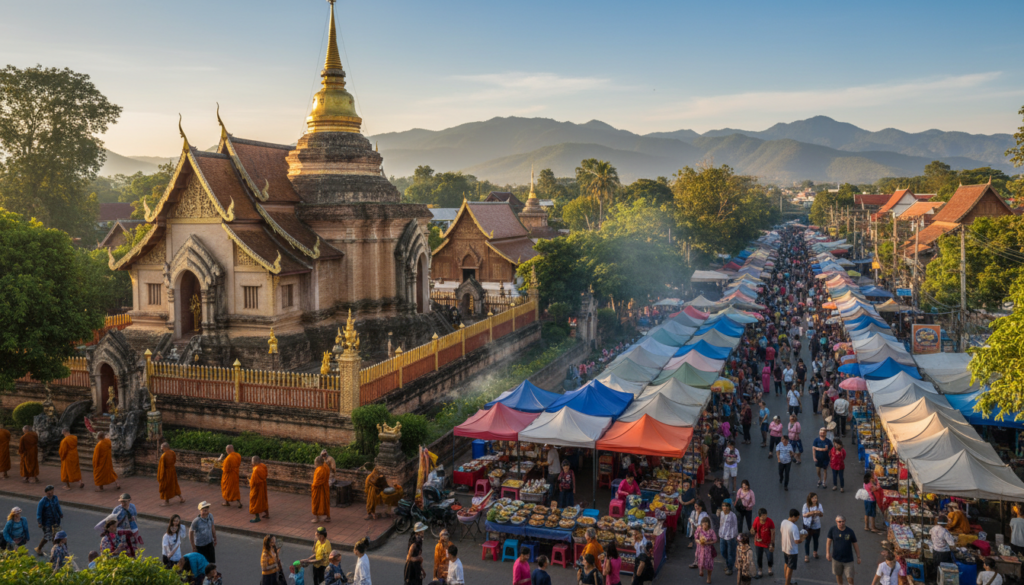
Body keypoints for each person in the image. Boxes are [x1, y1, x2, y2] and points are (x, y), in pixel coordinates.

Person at [826, 515, 861, 585]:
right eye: (839, 522)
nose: (841, 523)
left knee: (850, 578)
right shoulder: (832, 530)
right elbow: (828, 542)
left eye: (843, 521)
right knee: (838, 575)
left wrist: (858, 556)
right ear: (836, 521)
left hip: (848, 560)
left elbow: (855, 544)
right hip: (836, 558)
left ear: (845, 521)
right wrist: (827, 553)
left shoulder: (850, 531)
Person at [34, 484, 63, 556]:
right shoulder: (42, 501)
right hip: (46, 522)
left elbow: (57, 506)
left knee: (56, 536)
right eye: (49, 492)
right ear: (46, 493)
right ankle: (39, 548)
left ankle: (55, 550)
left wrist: (60, 513)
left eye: (51, 492)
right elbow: (39, 512)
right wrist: (39, 522)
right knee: (47, 536)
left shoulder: (55, 498)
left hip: (55, 520)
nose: (50, 494)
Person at [112, 493, 142, 557]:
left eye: (125, 501)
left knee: (132, 544)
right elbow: (112, 518)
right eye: (122, 502)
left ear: (129, 501)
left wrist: (128, 509)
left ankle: (132, 555)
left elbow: (134, 514)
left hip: (132, 528)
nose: (123, 503)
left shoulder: (132, 506)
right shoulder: (117, 509)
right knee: (121, 545)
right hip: (121, 529)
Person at [780, 509, 804, 585]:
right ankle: (787, 583)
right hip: (792, 550)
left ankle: (787, 581)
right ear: (793, 517)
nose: (797, 519)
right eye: (797, 518)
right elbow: (797, 541)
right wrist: (803, 538)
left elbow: (782, 531)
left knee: (786, 563)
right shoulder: (794, 527)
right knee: (790, 569)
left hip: (785, 548)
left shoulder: (783, 522)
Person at [691, 516, 718, 582]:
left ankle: (709, 577)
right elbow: (696, 538)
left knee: (709, 564)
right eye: (703, 524)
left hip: (709, 550)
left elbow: (715, 540)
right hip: (701, 550)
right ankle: (701, 570)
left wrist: (708, 542)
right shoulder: (699, 529)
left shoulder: (711, 531)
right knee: (701, 561)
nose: (704, 525)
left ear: (708, 524)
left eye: (706, 524)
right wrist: (700, 542)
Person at [752, 508, 775, 578]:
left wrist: (772, 544)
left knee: (770, 557)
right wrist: (753, 532)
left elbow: (773, 533)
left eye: (765, 515)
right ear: (759, 516)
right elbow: (753, 529)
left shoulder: (770, 521)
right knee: (759, 557)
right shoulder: (756, 520)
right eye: (762, 516)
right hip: (758, 543)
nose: (764, 517)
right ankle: (760, 570)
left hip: (768, 543)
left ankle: (770, 568)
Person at [802, 493, 824, 562]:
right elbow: (804, 515)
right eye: (813, 498)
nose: (815, 499)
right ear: (810, 499)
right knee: (807, 541)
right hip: (808, 526)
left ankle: (815, 552)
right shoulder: (806, 505)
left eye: (816, 498)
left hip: (816, 525)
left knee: (816, 539)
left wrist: (818, 512)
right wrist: (811, 513)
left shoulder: (819, 505)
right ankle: (806, 555)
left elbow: (821, 515)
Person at [720, 501, 739, 576]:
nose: (725, 507)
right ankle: (728, 563)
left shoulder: (732, 515)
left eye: (726, 506)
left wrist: (734, 536)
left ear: (729, 507)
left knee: (731, 553)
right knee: (723, 551)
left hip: (730, 537)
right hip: (722, 536)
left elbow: (735, 526)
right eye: (723, 505)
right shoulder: (721, 513)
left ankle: (730, 568)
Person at [250, 455, 270, 522]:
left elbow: (253, 482)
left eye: (252, 461)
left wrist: (249, 481)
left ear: (254, 462)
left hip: (257, 488)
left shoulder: (256, 470)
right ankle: (267, 514)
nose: (251, 463)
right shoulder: (263, 466)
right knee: (263, 499)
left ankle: (257, 517)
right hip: (263, 486)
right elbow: (266, 475)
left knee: (255, 501)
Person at [312, 455, 332, 523]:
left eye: (315, 462)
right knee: (326, 502)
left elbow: (317, 481)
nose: (315, 464)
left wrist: (313, 485)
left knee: (317, 502)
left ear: (317, 462)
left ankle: (317, 518)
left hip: (319, 488)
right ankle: (328, 517)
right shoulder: (325, 466)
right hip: (325, 487)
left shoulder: (320, 469)